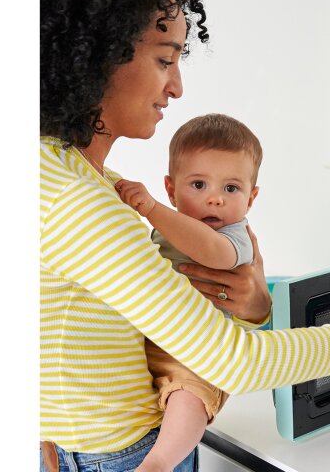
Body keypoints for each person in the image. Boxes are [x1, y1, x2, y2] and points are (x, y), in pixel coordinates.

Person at [39, 0, 330, 471]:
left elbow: (128, 306)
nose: (178, 86)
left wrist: (254, 305)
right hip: (116, 458)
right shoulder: (78, 202)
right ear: (98, 56)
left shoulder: (69, 176)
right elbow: (233, 361)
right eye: (166, 60)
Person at [115, 114, 265, 471]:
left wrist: (152, 209)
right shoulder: (164, 232)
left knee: (190, 397)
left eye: (231, 189)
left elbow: (210, 252)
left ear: (251, 198)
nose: (215, 200)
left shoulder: (236, 237)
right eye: (199, 185)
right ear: (172, 188)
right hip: (146, 349)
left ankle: (159, 463)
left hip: (198, 353)